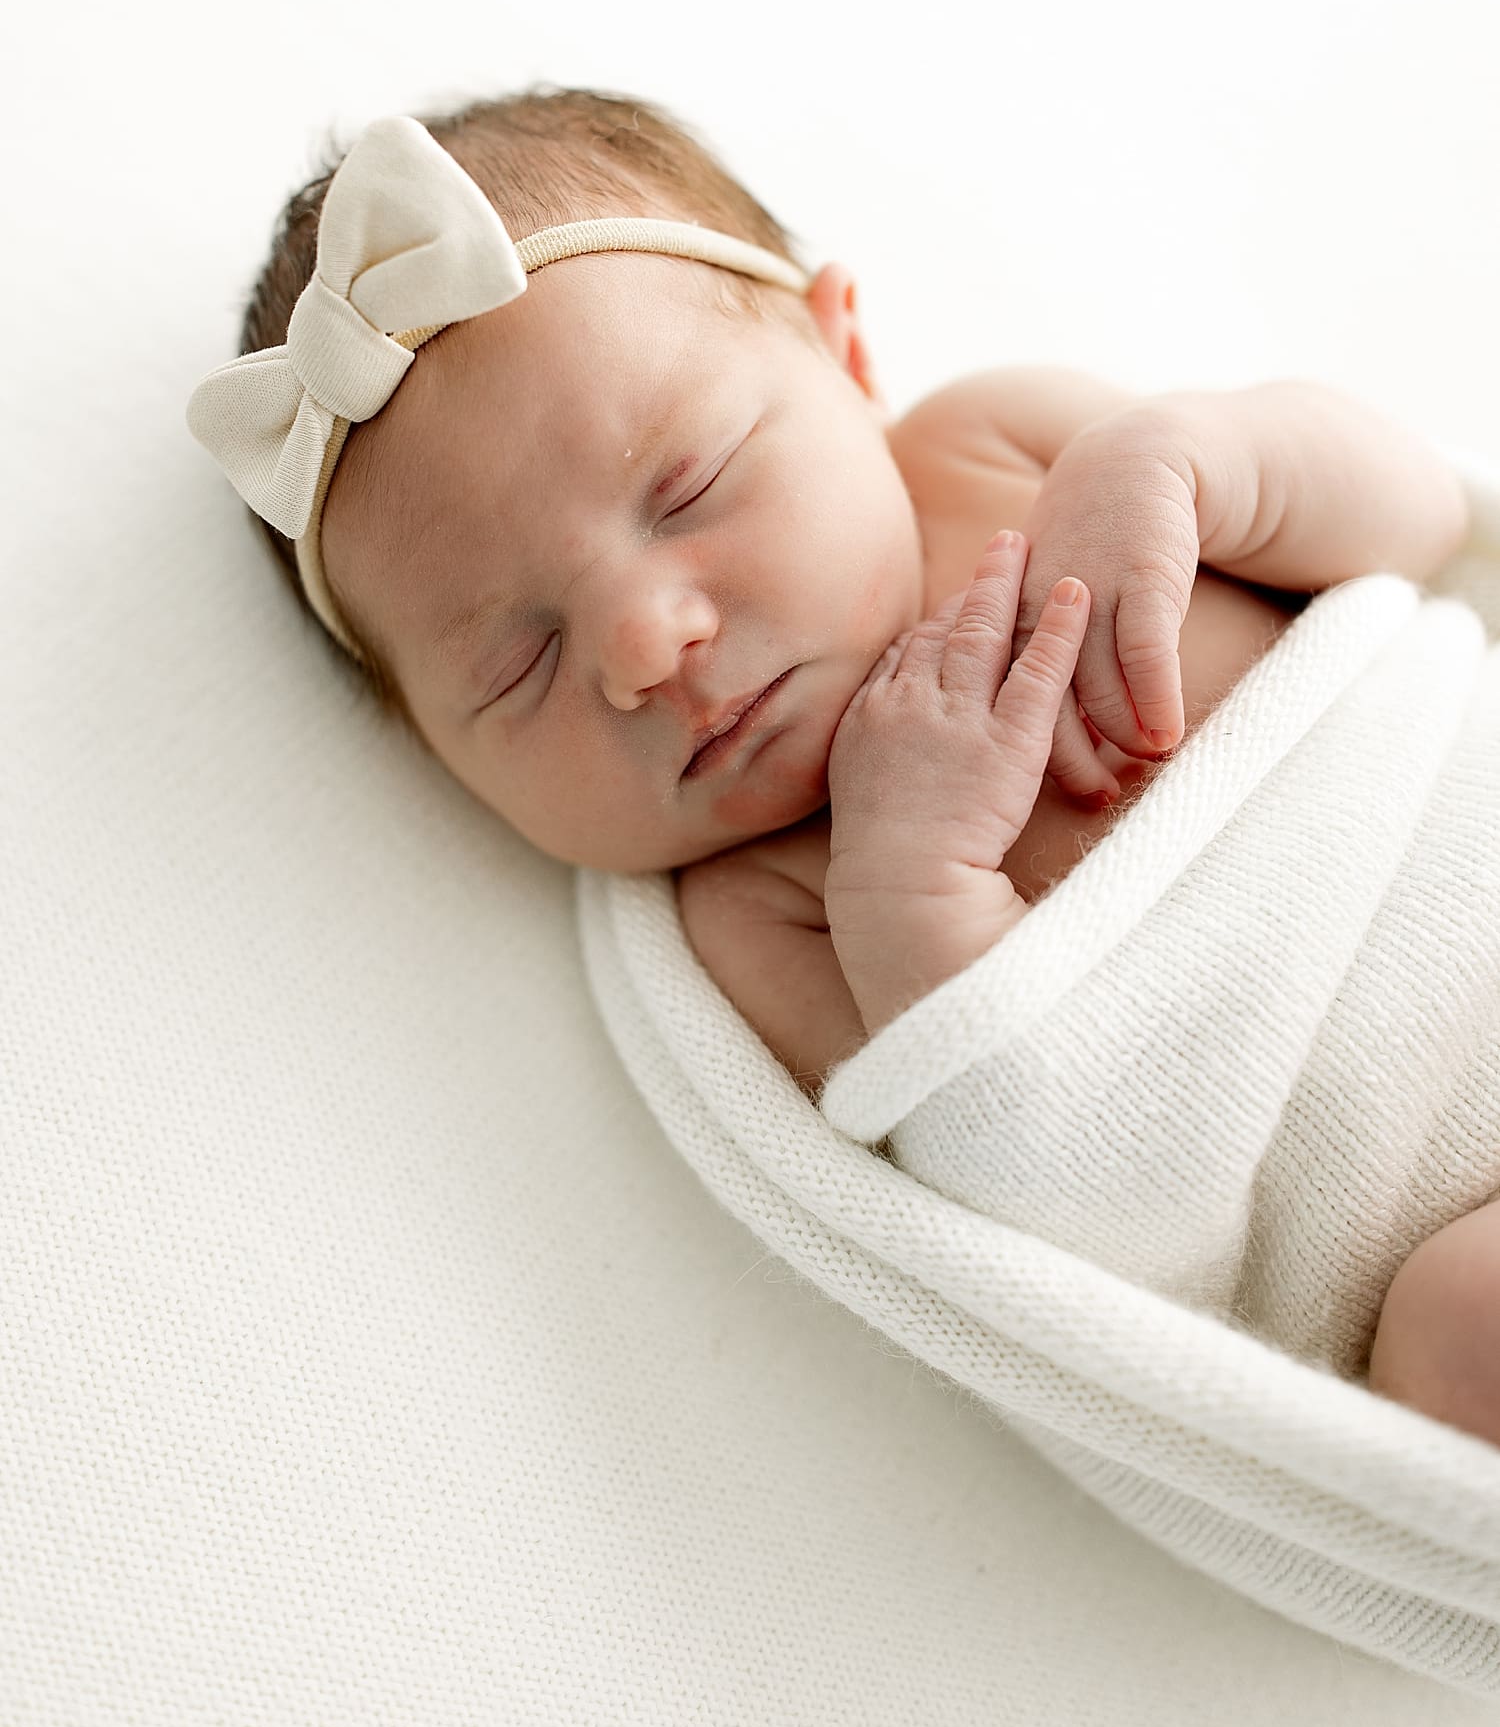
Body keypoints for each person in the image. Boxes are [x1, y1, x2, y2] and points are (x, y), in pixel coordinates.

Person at [187, 84, 1488, 1441]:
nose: (645, 642)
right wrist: (919, 885)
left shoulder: (1006, 453)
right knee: (1460, 1340)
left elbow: (1424, 519)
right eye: (518, 665)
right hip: (1430, 1209)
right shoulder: (761, 914)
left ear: (844, 349)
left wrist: (1201, 460)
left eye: (687, 486)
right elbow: (1061, 1214)